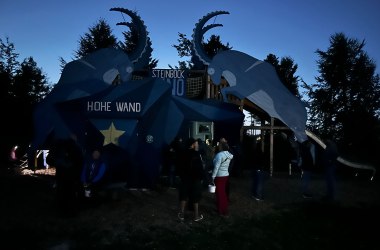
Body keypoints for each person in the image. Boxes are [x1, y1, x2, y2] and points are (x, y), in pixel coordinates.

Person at [47, 134, 84, 216]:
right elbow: (80, 162)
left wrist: (59, 164)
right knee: (70, 193)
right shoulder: (75, 148)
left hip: (61, 175)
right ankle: (70, 212)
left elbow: (49, 160)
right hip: (71, 176)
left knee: (61, 192)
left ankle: (61, 211)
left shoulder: (59, 146)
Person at [177, 138, 204, 222]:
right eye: (196, 143)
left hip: (185, 178)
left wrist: (182, 176)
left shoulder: (182, 153)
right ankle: (196, 216)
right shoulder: (197, 154)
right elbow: (200, 168)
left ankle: (181, 214)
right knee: (195, 197)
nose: (197, 145)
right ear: (192, 144)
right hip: (195, 179)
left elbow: (179, 166)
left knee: (183, 196)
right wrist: (201, 177)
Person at [211, 141, 233, 217]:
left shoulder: (219, 155)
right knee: (223, 192)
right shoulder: (229, 154)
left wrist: (213, 176)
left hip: (219, 176)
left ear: (222, 147)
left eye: (219, 146)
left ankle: (221, 211)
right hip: (225, 175)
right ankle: (224, 209)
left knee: (219, 193)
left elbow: (216, 167)